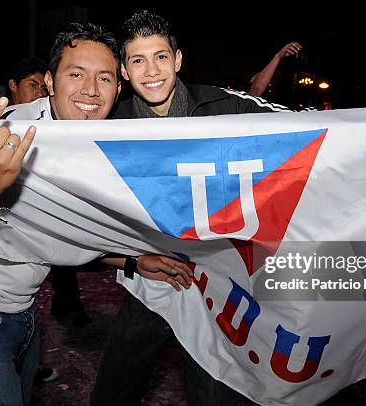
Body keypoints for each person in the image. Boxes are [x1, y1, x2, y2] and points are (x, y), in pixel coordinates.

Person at [0, 22, 191, 406]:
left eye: (104, 78)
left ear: (119, 87)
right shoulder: (7, 132)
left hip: (21, 310)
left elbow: (52, 232)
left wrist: (132, 261)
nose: (91, 91)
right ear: (50, 82)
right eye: (76, 74)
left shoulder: (94, 143)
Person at [92, 10, 292, 406]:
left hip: (216, 282)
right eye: (138, 60)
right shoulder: (110, 124)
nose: (152, 70)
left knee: (210, 392)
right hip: (149, 278)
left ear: (178, 59)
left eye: (161, 57)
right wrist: (129, 259)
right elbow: (82, 214)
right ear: (125, 72)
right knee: (113, 389)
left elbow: (314, 128)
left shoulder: (221, 106)